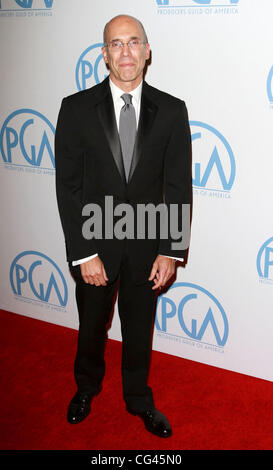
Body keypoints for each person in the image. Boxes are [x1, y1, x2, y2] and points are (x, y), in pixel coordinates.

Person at [55, 14, 192, 438]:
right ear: (104, 54)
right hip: (95, 246)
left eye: (134, 42)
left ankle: (138, 398)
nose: (126, 52)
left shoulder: (172, 111)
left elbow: (179, 186)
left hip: (149, 249)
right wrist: (83, 251)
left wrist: (171, 251)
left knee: (138, 328)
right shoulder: (76, 109)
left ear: (147, 51)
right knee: (91, 326)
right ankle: (86, 387)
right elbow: (69, 187)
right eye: (116, 44)